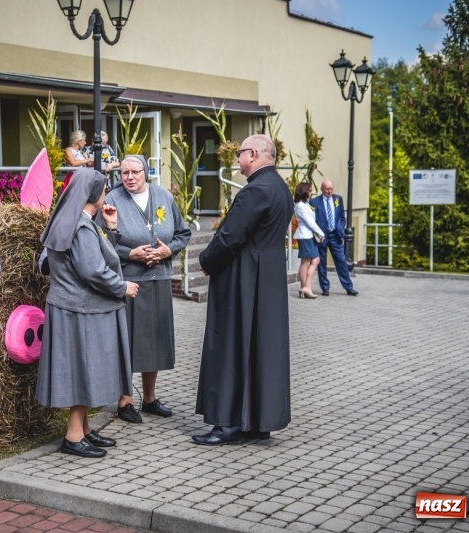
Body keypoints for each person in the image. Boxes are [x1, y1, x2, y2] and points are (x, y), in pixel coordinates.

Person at [193, 134, 293, 445]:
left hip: (243, 278)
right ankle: (257, 421)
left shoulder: (255, 190)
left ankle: (227, 425)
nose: (237, 161)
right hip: (268, 279)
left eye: (240, 154)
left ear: (253, 154)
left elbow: (230, 236)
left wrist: (206, 260)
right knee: (260, 348)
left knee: (231, 346)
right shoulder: (280, 188)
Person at [36, 167, 139, 458]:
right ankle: (73, 435)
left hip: (74, 306)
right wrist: (123, 287)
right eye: (104, 188)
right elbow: (93, 271)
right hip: (79, 309)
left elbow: (100, 256)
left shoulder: (75, 221)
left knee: (83, 369)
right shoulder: (80, 227)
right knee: (83, 370)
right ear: (95, 194)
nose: (106, 192)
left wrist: (111, 228)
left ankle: (83, 429)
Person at [102, 154, 191, 424]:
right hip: (129, 281)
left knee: (153, 341)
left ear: (146, 172)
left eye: (135, 172)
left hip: (159, 278)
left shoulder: (164, 196)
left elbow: (182, 234)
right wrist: (131, 254)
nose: (129, 177)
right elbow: (102, 240)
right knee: (128, 340)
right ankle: (125, 400)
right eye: (125, 172)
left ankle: (150, 399)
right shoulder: (112, 201)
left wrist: (167, 250)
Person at [310, 180, 358, 296]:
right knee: (322, 263)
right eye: (327, 189)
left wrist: (340, 229)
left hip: (335, 235)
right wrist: (317, 234)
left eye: (331, 189)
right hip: (322, 236)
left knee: (341, 261)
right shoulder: (314, 202)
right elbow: (312, 220)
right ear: (322, 189)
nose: (329, 191)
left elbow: (342, 217)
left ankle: (348, 287)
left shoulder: (338, 199)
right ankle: (325, 288)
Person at [293, 182, 325, 299]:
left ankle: (305, 287)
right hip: (305, 236)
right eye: (310, 190)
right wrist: (321, 233)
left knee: (313, 261)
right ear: (305, 191)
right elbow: (310, 222)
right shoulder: (301, 206)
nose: (311, 192)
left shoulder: (304, 204)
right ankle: (306, 287)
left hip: (308, 236)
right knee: (307, 262)